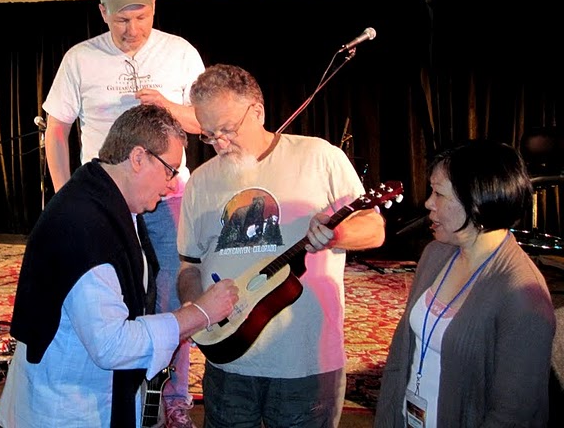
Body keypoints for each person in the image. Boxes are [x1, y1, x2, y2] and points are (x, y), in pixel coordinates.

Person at [0, 104, 239, 428]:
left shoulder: (98, 197)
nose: (171, 185)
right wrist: (201, 313)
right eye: (170, 170)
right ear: (138, 157)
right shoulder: (85, 226)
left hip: (80, 389)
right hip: (67, 409)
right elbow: (112, 344)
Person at [177, 63, 386, 428]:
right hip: (227, 363)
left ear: (256, 111)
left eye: (227, 129)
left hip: (304, 363)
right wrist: (199, 315)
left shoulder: (319, 157)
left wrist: (336, 236)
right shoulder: (200, 181)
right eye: (209, 135)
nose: (220, 144)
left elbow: (373, 229)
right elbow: (188, 267)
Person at [42, 0, 205, 426]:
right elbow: (57, 129)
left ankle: (173, 398)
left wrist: (168, 107)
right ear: (102, 13)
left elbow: (202, 124)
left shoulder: (179, 52)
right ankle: (126, 387)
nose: (131, 30)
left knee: (173, 291)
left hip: (170, 191)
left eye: (140, 17)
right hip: (105, 197)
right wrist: (64, 194)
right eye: (120, 21)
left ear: (154, 6)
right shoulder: (80, 57)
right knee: (116, 290)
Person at [374, 139, 555, 428]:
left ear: (478, 200)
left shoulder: (523, 295)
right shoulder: (436, 253)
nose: (428, 203)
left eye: (439, 194)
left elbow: (514, 414)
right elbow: (401, 356)